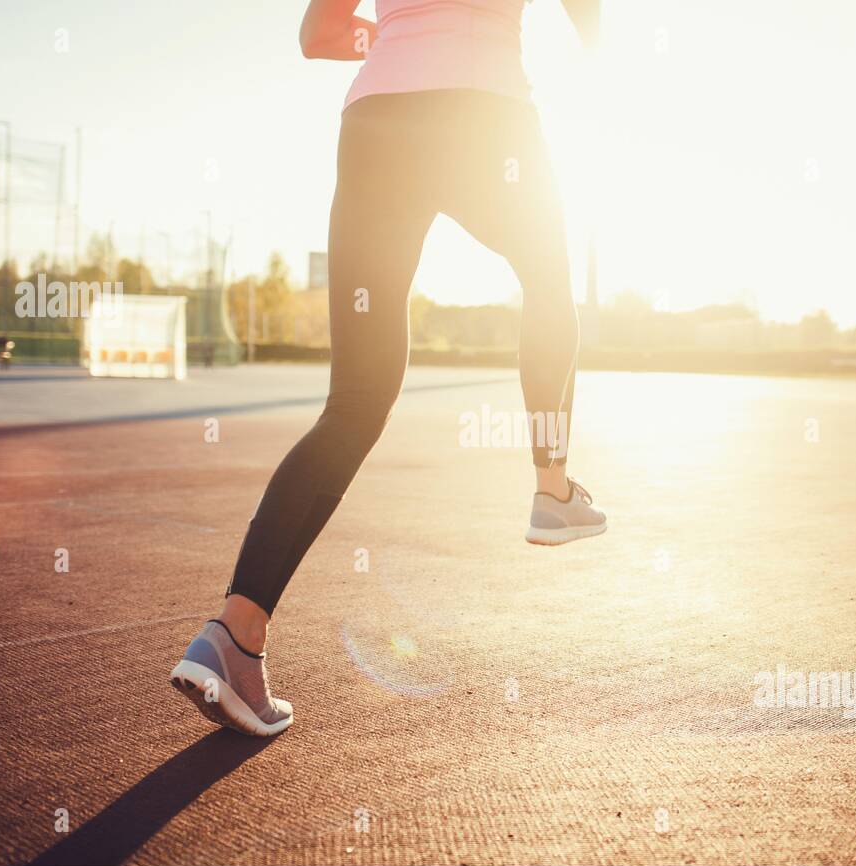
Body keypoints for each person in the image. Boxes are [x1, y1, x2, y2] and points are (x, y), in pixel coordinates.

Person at [171, 0, 604, 736]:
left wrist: (399, 34)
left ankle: (234, 635)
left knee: (356, 403)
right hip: (485, 111)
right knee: (551, 281)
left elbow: (319, 36)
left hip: (377, 123)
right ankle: (552, 485)